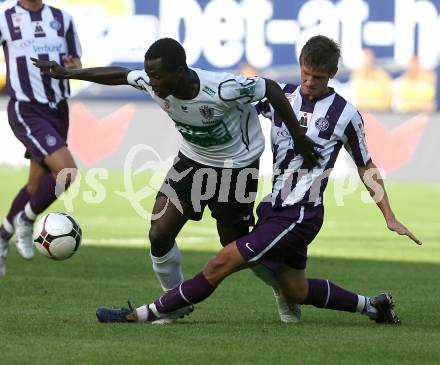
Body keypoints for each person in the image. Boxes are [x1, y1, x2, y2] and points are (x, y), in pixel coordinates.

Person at [93, 35, 422, 325]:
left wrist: (389, 216)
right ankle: (374, 306)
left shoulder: (345, 114)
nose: (309, 82)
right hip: (273, 205)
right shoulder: (284, 97)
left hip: (301, 213)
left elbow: (366, 165)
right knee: (296, 289)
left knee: (221, 263)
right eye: (305, 73)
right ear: (300, 66)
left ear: (333, 74)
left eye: (318, 77)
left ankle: (141, 314)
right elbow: (239, 99)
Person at [32, 37, 322, 322]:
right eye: (149, 75)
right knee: (159, 233)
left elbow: (269, 88)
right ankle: (174, 303)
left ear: (179, 72)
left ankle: (281, 290)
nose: (151, 82)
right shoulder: (154, 82)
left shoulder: (221, 88)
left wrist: (298, 136)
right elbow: (120, 74)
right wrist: (69, 73)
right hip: (192, 161)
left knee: (234, 244)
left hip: (237, 167)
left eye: (157, 76)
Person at [0, 0, 82, 277]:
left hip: (59, 108)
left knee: (35, 187)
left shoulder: (63, 18)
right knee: (67, 171)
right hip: (27, 107)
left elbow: (76, 62)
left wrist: (72, 66)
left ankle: (2, 237)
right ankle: (26, 219)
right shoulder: (5, 17)